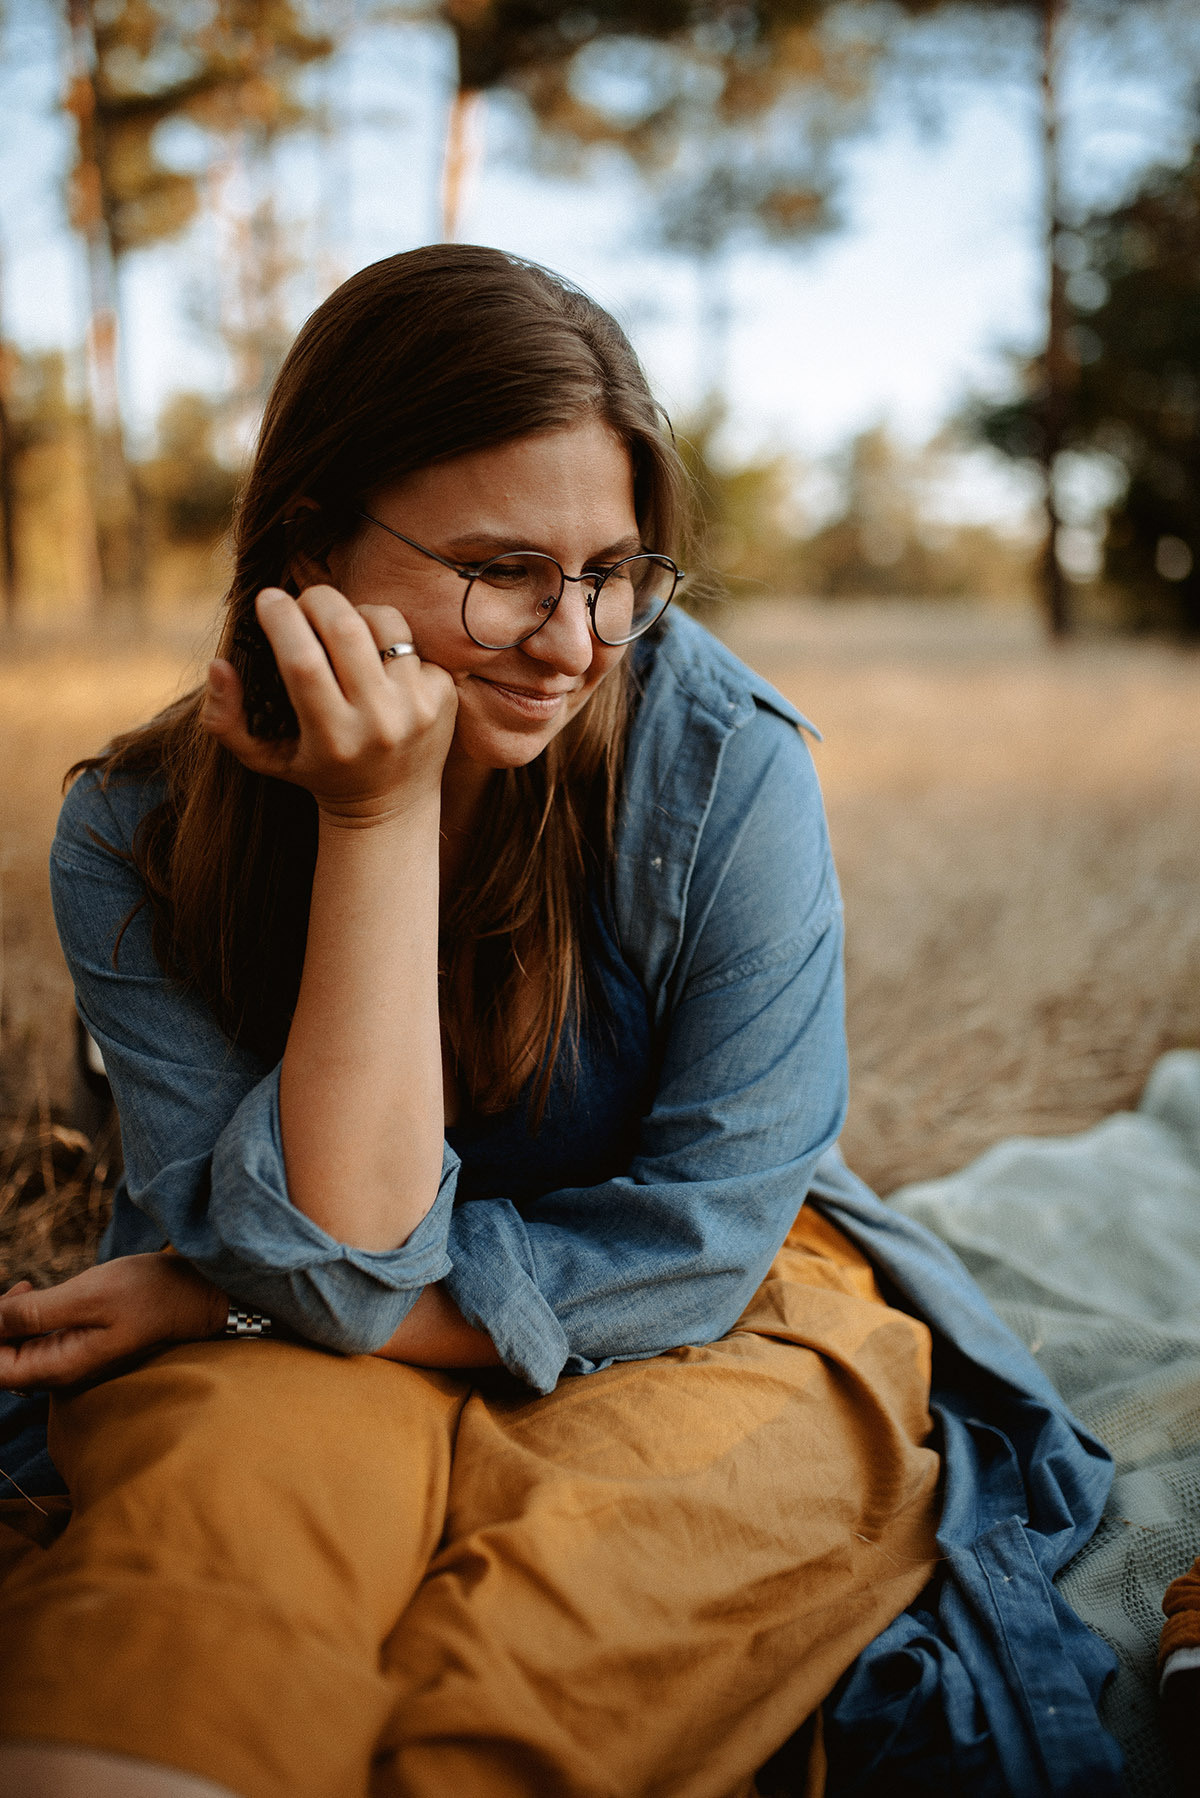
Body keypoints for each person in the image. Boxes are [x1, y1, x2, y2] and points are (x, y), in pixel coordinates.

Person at [0, 248, 1122, 1798]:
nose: (577, 639)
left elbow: (699, 1238)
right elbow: (332, 1246)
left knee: (584, 1612)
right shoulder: (134, 833)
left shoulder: (724, 771)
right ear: (310, 538)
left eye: (614, 571)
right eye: (504, 569)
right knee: (200, 1581)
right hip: (288, 1315)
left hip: (699, 1304)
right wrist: (377, 819)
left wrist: (225, 1301)